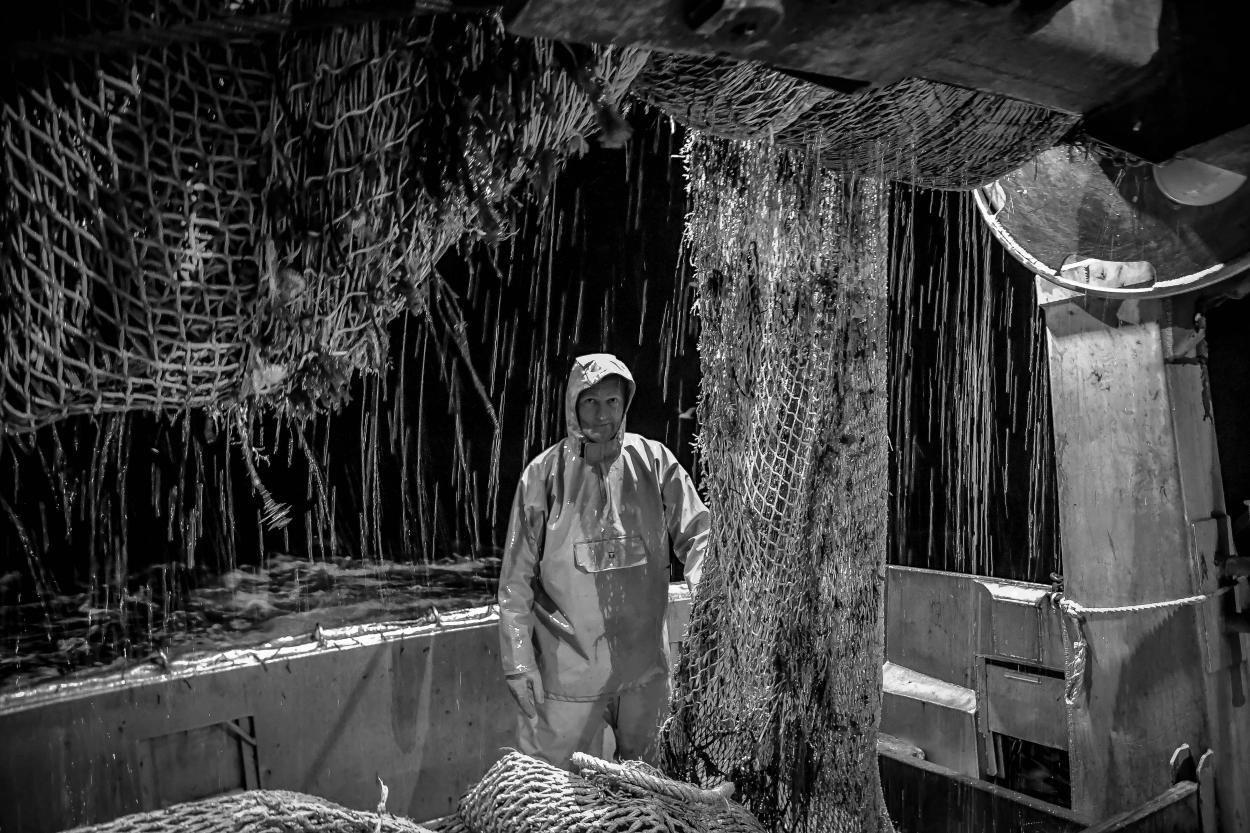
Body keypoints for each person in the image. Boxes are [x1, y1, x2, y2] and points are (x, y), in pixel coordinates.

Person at [497, 353, 708, 767]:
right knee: (550, 799)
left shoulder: (654, 462)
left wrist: (707, 605)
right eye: (591, 402)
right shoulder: (542, 477)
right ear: (573, 404)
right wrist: (518, 663)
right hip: (567, 682)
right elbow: (514, 583)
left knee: (651, 794)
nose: (602, 414)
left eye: (612, 402)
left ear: (625, 404)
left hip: (646, 676)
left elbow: (700, 532)